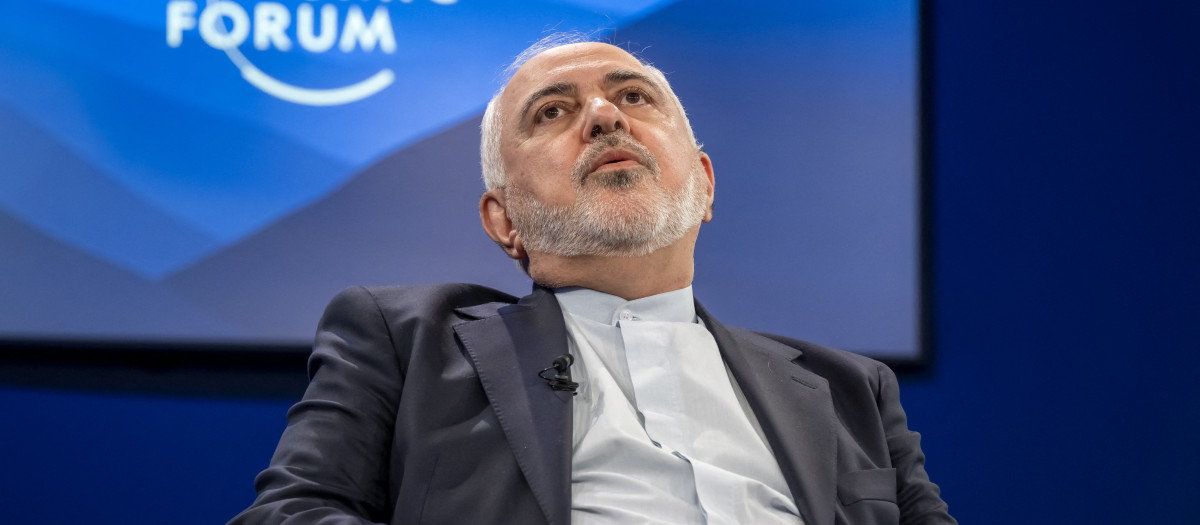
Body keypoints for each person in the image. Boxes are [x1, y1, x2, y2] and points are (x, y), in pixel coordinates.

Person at [230, 35, 955, 525]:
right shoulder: (405, 341)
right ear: (504, 219)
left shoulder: (851, 389)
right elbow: (289, 512)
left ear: (703, 184)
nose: (606, 116)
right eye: (553, 112)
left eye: (635, 98)